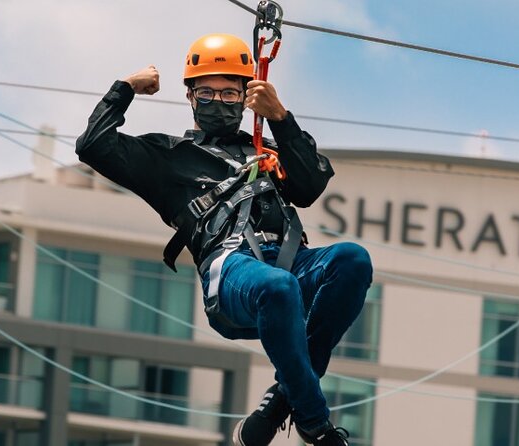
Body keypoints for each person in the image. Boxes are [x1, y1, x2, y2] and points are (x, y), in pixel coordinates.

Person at [76, 33, 373, 446]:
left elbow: (311, 184)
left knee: (353, 259)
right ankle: (316, 425)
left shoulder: (267, 149)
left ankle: (278, 404)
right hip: (231, 273)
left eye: (230, 92)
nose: (219, 100)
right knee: (277, 286)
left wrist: (280, 118)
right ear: (191, 97)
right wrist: (125, 88)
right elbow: (93, 146)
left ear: (245, 97)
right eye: (208, 91)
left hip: (288, 264)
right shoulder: (168, 156)